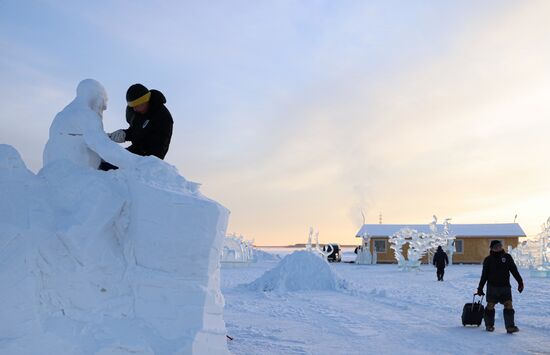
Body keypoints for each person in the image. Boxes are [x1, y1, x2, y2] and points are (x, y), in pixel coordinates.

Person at [100, 83, 173, 170]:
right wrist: (124, 134)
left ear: (146, 100)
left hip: (147, 159)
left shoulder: (163, 118)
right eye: (133, 106)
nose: (135, 109)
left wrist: (144, 167)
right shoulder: (138, 111)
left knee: (111, 170)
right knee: (105, 163)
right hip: (135, 150)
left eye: (138, 106)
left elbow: (158, 150)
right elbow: (135, 130)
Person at [477, 240, 524, 333]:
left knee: (508, 305)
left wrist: (520, 282)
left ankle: (510, 327)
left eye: (499, 246)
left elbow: (514, 270)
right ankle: (489, 325)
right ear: (492, 248)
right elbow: (484, 276)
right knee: (490, 306)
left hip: (505, 287)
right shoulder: (488, 260)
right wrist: (480, 288)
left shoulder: (507, 257)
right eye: (496, 247)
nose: (498, 248)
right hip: (492, 287)